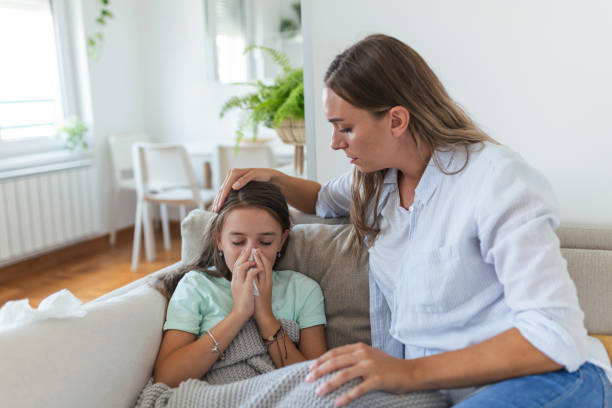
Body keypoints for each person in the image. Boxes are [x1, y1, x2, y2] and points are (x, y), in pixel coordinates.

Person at [212, 33, 612, 407]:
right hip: (446, 394)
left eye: (346, 128)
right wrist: (272, 178)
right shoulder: (375, 186)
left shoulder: (496, 180)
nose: (335, 142)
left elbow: (554, 336)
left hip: (554, 380)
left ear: (397, 120)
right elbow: (321, 198)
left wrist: (407, 372)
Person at [153, 181, 327, 388]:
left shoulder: (304, 290)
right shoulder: (196, 286)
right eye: (237, 242)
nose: (251, 253)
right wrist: (239, 313)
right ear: (218, 240)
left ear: (281, 240)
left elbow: (317, 382)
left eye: (265, 243)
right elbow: (167, 378)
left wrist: (264, 315)